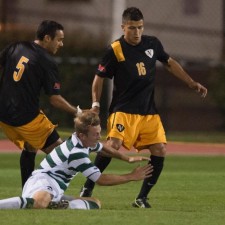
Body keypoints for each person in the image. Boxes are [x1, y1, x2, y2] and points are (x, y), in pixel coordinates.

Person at [80, 7, 208, 208]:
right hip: (122, 110)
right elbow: (99, 78)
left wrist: (191, 82)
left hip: (148, 112)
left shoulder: (152, 43)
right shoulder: (115, 49)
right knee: (112, 145)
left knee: (160, 149)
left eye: (140, 27)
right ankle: (87, 187)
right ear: (123, 27)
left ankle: (142, 198)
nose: (137, 32)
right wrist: (95, 104)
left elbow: (169, 62)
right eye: (132, 28)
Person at [0, 111, 153, 210]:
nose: (99, 137)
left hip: (56, 188)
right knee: (40, 203)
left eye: (99, 132)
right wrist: (131, 176)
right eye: (95, 134)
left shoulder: (84, 140)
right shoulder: (76, 153)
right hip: (42, 181)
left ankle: (59, 205)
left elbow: (103, 148)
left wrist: (127, 158)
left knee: (95, 203)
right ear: (82, 135)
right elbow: (101, 180)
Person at [0, 20, 80, 188]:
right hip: (27, 119)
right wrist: (78, 112)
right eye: (59, 39)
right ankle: (50, 193)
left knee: (30, 147)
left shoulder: (17, 46)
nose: (62, 44)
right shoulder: (46, 61)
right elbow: (55, 99)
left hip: (4, 115)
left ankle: (26, 193)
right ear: (47, 38)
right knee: (64, 155)